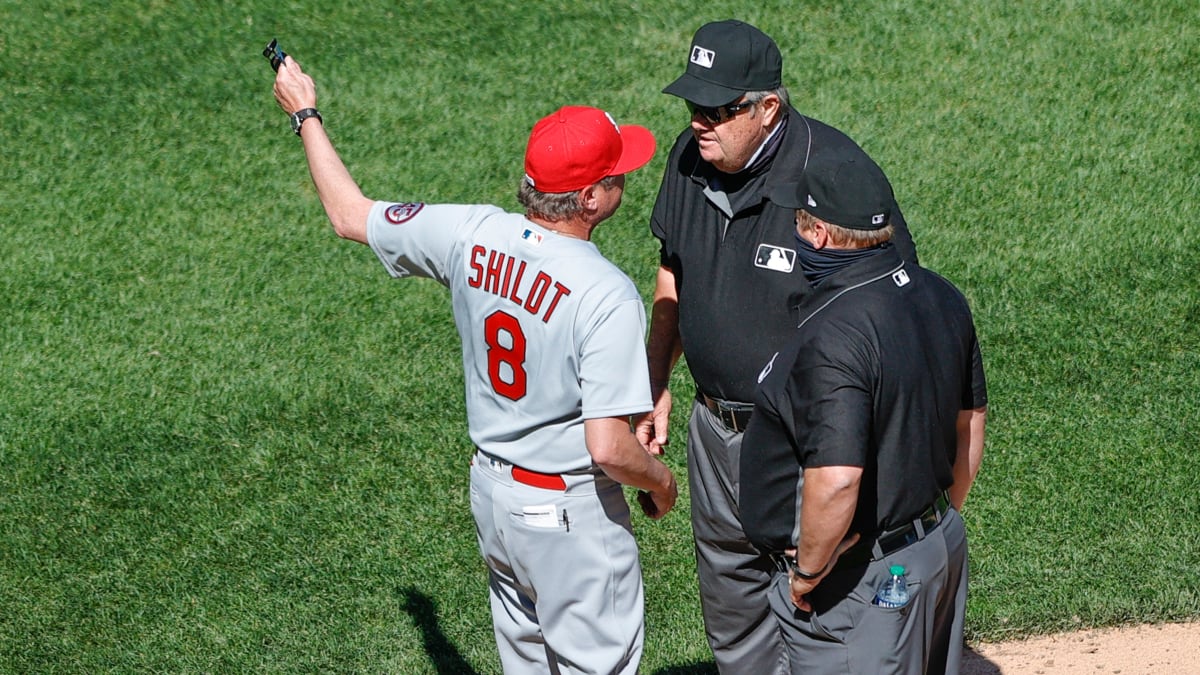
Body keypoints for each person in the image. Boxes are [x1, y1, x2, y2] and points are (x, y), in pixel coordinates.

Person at [271, 54, 678, 675]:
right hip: (568, 515)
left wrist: (305, 111)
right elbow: (608, 447)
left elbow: (348, 215)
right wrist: (661, 482)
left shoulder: (472, 233)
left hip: (494, 498)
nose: (627, 178)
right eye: (617, 173)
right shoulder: (606, 292)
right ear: (591, 198)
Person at [634, 19, 919, 673]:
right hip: (714, 432)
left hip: (803, 440)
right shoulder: (688, 158)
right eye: (692, 105)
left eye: (718, 108)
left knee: (826, 620)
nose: (700, 121)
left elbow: (892, 317)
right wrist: (654, 381)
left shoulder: (836, 180)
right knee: (736, 629)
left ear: (768, 108)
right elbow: (673, 267)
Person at [738, 153, 988, 674]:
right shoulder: (940, 293)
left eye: (798, 222)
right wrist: (931, 522)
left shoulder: (837, 335)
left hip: (858, 581)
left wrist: (809, 572)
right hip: (934, 547)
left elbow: (836, 480)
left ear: (820, 235)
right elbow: (971, 425)